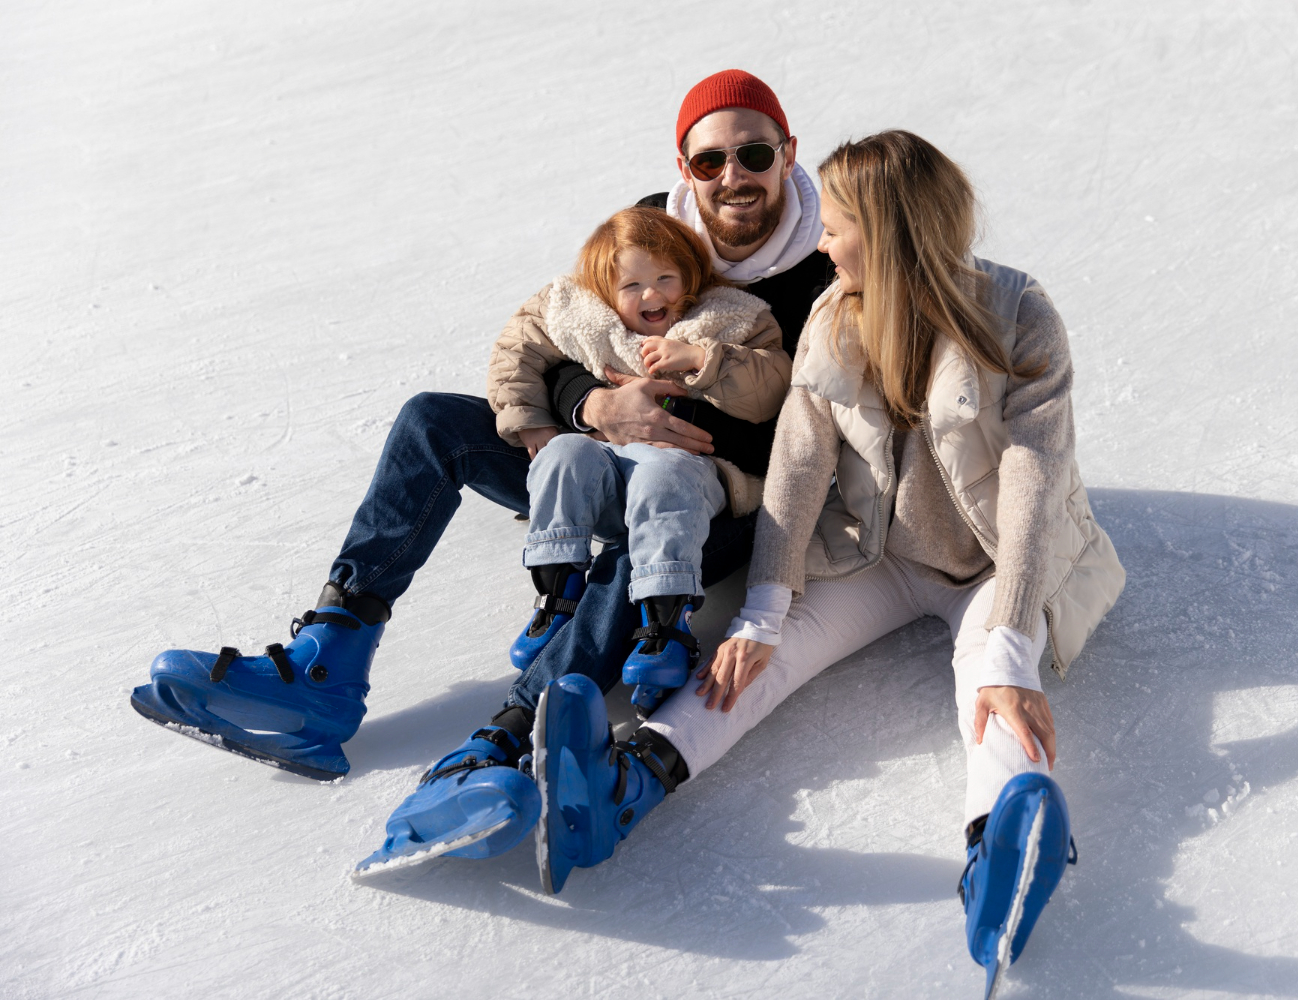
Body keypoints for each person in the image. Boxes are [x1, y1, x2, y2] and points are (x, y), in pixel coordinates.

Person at [126, 68, 832, 853]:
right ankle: (325, 664)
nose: (732, 177)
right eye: (710, 161)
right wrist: (592, 407)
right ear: (683, 166)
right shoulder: (647, 231)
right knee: (434, 422)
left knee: (638, 543)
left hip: (726, 496)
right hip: (595, 456)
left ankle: (499, 743)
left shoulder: (824, 270)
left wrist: (675, 420)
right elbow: (560, 335)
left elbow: (817, 424)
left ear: (787, 152)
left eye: (754, 154)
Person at [532, 131, 1126, 995]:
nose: (821, 242)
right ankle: (626, 782)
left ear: (886, 233)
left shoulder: (1017, 314)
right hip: (878, 551)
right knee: (758, 658)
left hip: (998, 559)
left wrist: (1012, 634)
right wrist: (763, 610)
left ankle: (1000, 846)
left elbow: (1035, 479)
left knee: (992, 686)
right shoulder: (834, 314)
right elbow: (800, 465)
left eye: (838, 225)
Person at [495, 204, 791, 718]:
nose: (651, 295)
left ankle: (665, 623)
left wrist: (703, 361)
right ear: (607, 291)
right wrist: (533, 419)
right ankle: (557, 596)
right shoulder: (585, 315)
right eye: (631, 286)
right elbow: (515, 348)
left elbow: (772, 387)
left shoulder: (729, 317)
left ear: (690, 277)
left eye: (665, 278)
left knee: (663, 471)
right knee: (564, 452)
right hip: (610, 478)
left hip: (696, 483)